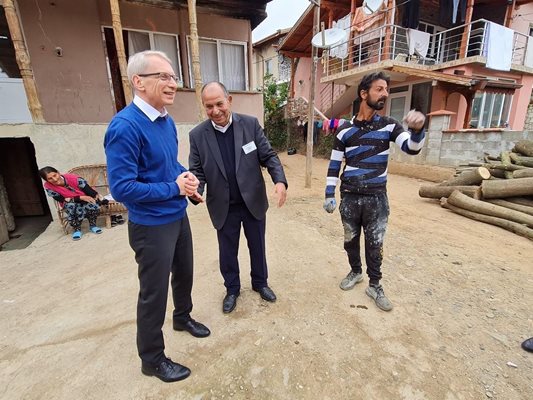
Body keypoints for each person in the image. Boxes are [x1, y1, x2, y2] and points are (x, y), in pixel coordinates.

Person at [104, 50, 209, 383]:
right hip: (151, 226)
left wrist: (187, 181)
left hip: (176, 216)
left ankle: (182, 317)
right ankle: (151, 358)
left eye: (173, 77)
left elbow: (167, 167)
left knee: (184, 273)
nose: (172, 83)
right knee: (153, 293)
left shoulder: (164, 120)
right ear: (139, 82)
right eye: (162, 76)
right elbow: (122, 189)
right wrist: (173, 188)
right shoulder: (124, 127)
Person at [323, 71, 426, 311]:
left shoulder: (390, 125)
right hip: (349, 197)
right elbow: (334, 164)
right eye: (379, 89)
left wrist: (418, 129)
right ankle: (356, 272)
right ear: (363, 94)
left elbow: (411, 148)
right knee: (350, 240)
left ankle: (375, 285)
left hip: (377, 199)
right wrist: (329, 193)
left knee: (375, 243)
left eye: (386, 90)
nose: (385, 94)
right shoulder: (344, 131)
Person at [188, 81, 288, 314]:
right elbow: (197, 171)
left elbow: (269, 156)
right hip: (223, 206)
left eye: (219, 104)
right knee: (227, 251)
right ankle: (232, 289)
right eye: (209, 106)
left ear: (229, 100)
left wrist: (280, 181)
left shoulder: (250, 125)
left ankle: (260, 283)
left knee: (258, 246)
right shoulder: (198, 135)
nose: (215, 111)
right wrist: (195, 190)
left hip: (252, 200)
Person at [39, 166, 103, 240]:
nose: (55, 179)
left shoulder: (74, 178)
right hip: (69, 203)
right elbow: (61, 199)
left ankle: (93, 225)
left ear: (58, 172)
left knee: (93, 203)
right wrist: (80, 197)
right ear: (46, 180)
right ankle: (77, 229)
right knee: (72, 205)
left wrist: (96, 197)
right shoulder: (48, 187)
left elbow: (88, 190)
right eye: (50, 178)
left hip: (84, 199)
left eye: (55, 175)